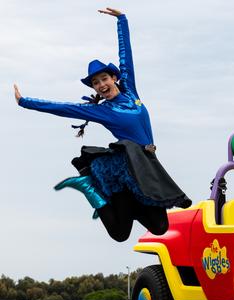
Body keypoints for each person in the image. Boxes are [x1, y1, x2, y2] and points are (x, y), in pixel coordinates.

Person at [14, 8, 191, 242]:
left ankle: (129, 203)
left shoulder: (130, 91)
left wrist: (122, 20)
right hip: (126, 167)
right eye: (96, 83)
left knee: (159, 227)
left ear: (114, 78)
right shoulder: (102, 111)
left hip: (147, 164)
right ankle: (89, 187)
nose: (100, 85)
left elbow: (126, 54)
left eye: (104, 79)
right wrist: (26, 102)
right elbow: (63, 108)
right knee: (120, 234)